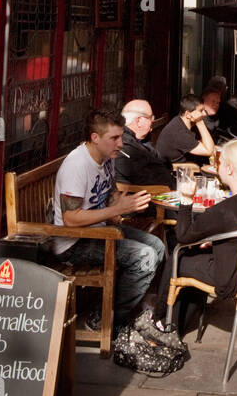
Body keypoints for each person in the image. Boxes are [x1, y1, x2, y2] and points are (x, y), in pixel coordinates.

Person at [145, 139, 237, 333]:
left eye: (220, 163)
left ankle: (160, 318)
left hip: (229, 280)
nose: (218, 166)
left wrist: (186, 200)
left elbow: (183, 236)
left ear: (229, 169)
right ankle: (179, 319)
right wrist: (217, 243)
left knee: (178, 256)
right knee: (195, 253)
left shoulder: (225, 210)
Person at [53, 108, 164, 327]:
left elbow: (111, 194)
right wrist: (116, 210)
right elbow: (70, 219)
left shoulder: (106, 157)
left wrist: (128, 205)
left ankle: (120, 311)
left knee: (157, 246)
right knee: (145, 256)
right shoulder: (77, 165)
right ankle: (103, 319)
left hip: (99, 231)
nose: (120, 143)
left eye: (121, 136)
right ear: (95, 138)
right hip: (72, 242)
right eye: (114, 138)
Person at [116, 99, 174, 188]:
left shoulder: (140, 140)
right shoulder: (125, 146)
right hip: (156, 195)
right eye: (151, 118)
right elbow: (146, 180)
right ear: (138, 121)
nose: (152, 122)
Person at [156, 95, 217, 167]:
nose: (204, 113)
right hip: (180, 172)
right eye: (201, 110)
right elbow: (209, 151)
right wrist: (200, 122)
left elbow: (206, 145)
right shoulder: (179, 132)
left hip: (190, 167)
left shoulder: (182, 122)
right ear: (188, 114)